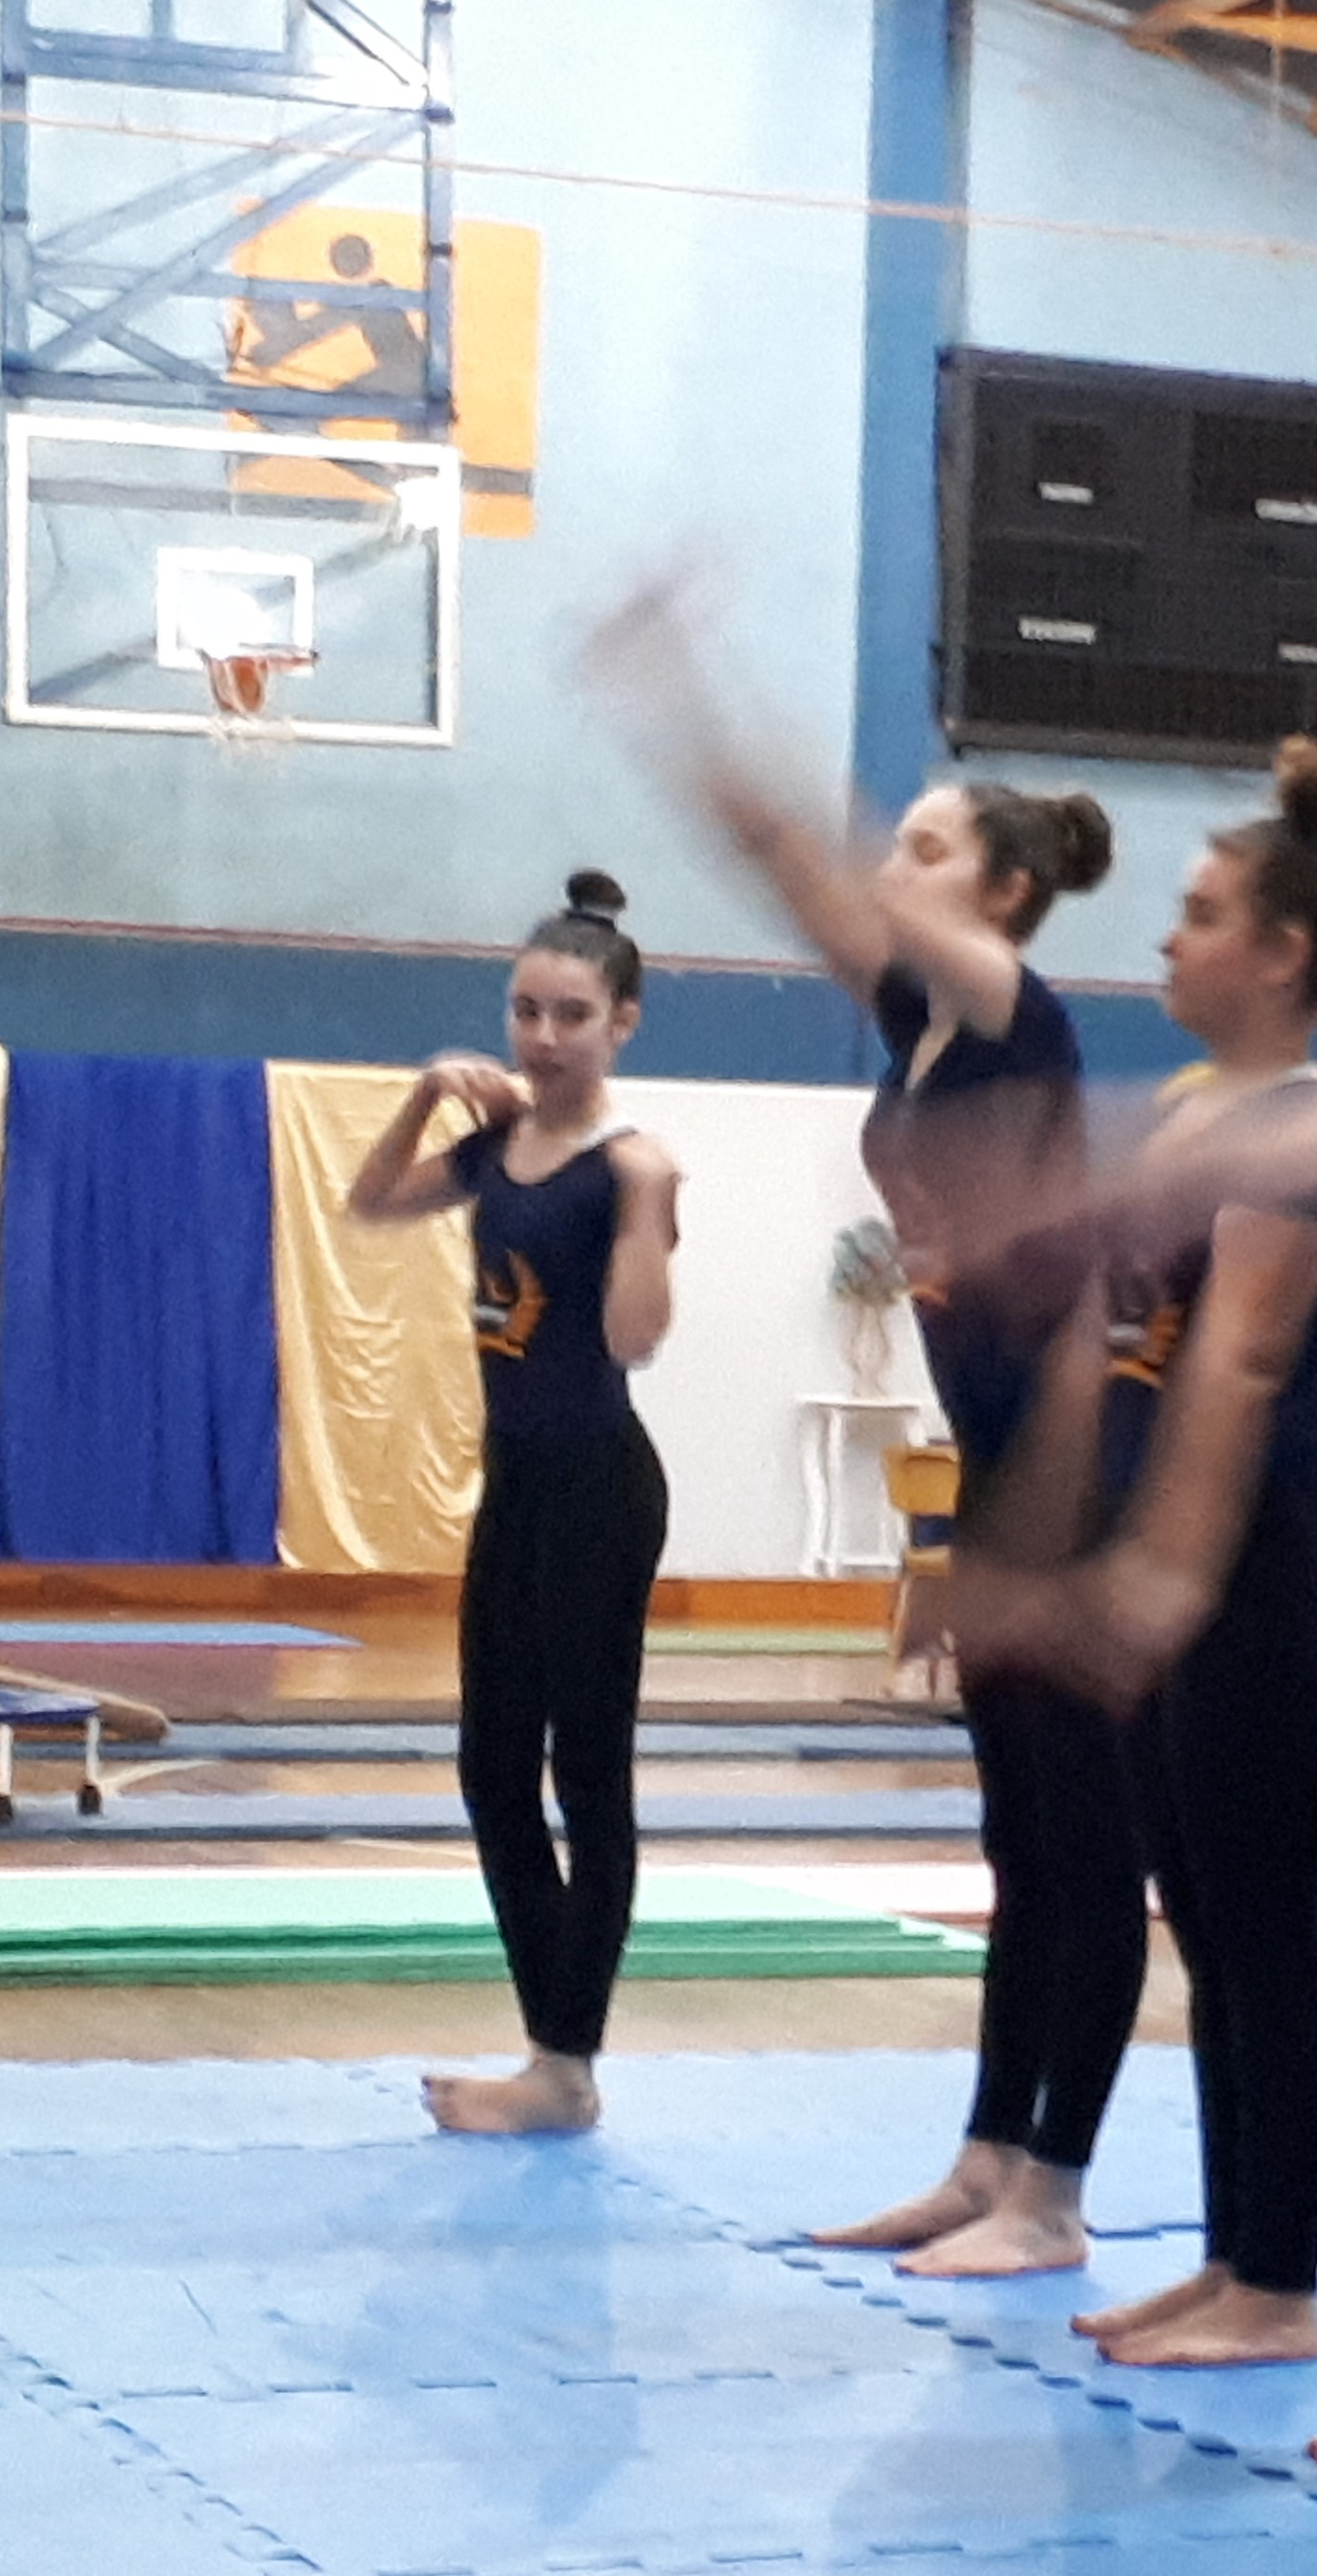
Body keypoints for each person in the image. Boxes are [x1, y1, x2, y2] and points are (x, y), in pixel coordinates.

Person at [585, 590, 1148, 2276]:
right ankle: (985, 2162)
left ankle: (1054, 2194)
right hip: (999, 1461)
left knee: (1083, 1840)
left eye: (927, 848)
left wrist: (775, 778)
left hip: (1084, 1479)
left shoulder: (1016, 1009)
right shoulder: (923, 1026)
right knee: (1017, 1835)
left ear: (1005, 894)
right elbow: (789, 863)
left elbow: (823, 862)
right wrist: (679, 695)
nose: (891, 869)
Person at [966, 740, 1317, 2371]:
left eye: (1200, 913)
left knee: (1267, 1922)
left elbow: (1246, 1364)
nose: (1166, 935)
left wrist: (1165, 1570)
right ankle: (1231, 2257)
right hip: (1167, 1558)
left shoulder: (1306, 1126)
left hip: (1267, 1566)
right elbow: (1118, 1360)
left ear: (1282, 954)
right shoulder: (1187, 1118)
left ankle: (1281, 2282)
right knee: (1201, 1917)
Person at [342, 871, 683, 2135]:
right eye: (525, 1011)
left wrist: (649, 1209)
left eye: (572, 1016)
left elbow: (635, 1341)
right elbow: (370, 1203)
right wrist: (425, 1094)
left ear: (623, 1024)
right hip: (520, 1485)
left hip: (601, 1487)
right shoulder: (492, 1148)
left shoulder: (627, 1165)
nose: (542, 1037)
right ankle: (553, 2054)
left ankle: (565, 2065)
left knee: (587, 1777)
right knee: (492, 1769)